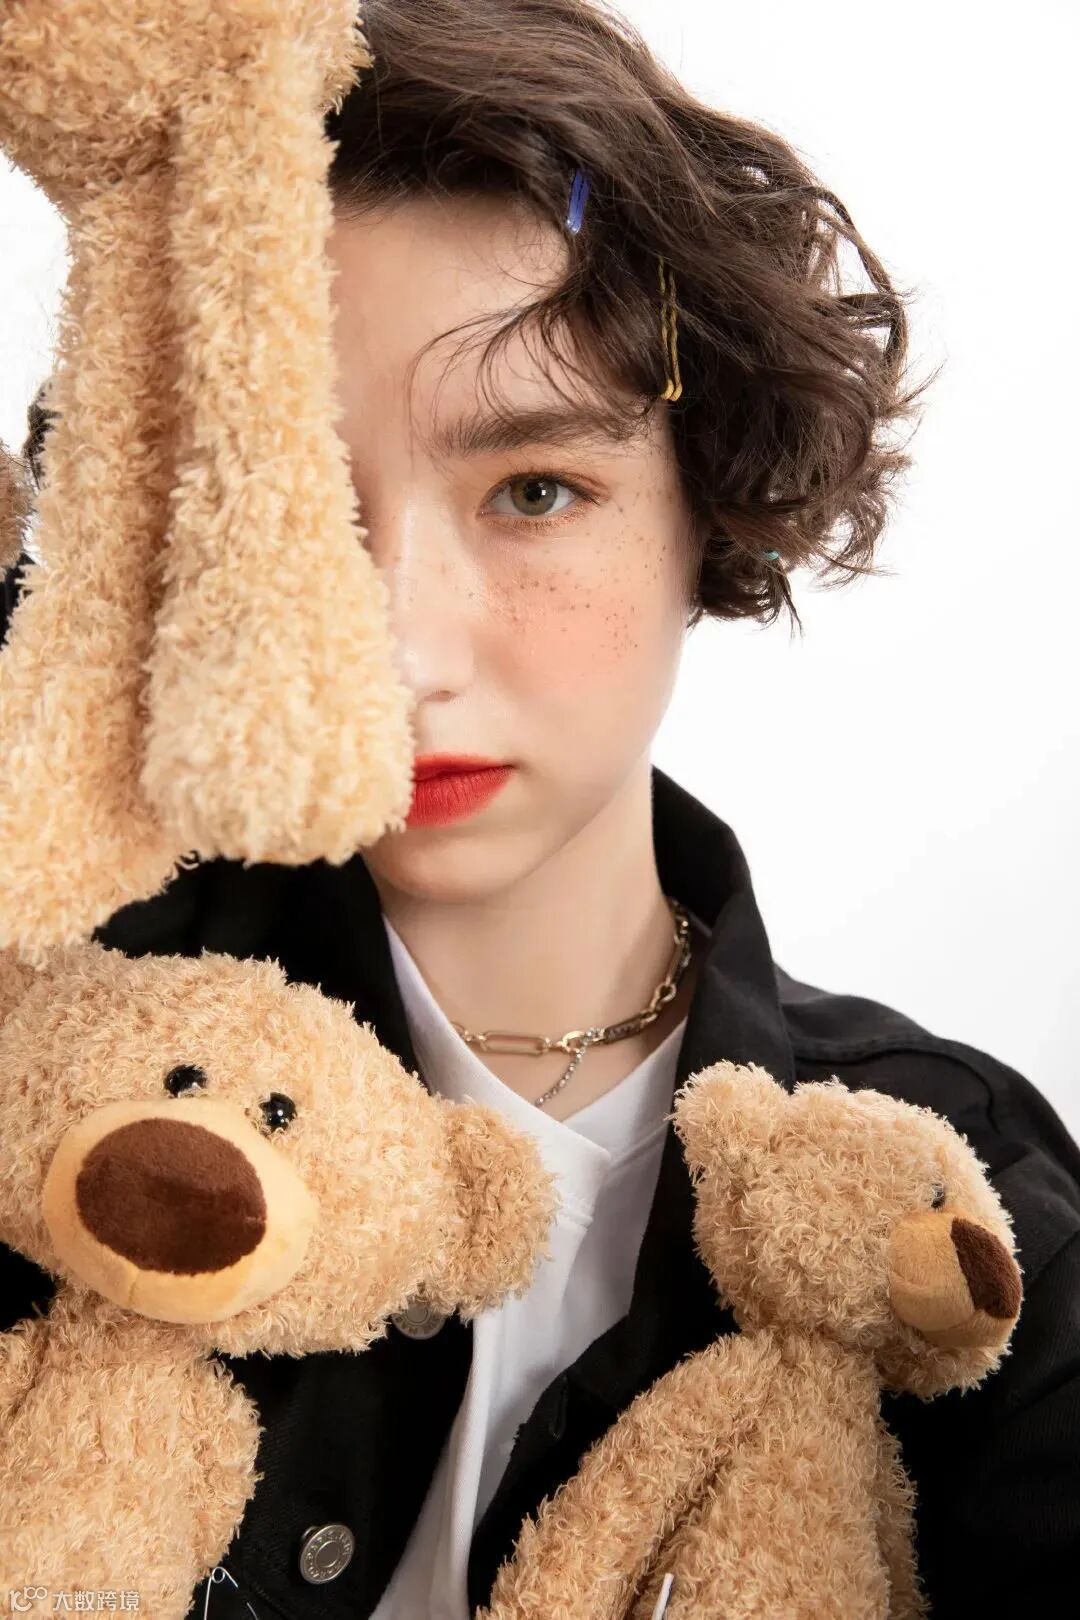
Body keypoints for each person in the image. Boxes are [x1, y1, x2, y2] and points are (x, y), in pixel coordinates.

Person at [3, 2, 1079, 1616]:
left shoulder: (962, 1202)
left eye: (533, 492)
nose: (401, 651)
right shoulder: (44, 1060)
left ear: (710, 501)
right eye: (301, 510)